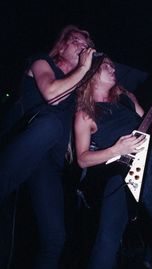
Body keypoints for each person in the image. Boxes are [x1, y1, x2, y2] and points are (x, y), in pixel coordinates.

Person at [74, 57, 152, 269]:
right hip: (117, 175)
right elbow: (82, 159)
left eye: (112, 64)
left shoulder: (127, 98)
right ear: (90, 76)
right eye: (105, 65)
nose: (112, 67)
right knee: (107, 241)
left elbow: (149, 132)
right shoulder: (85, 114)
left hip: (150, 166)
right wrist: (116, 150)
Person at [0, 25, 96, 269]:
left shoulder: (76, 90)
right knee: (50, 125)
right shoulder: (41, 62)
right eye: (75, 41)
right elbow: (52, 94)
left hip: (48, 163)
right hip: (25, 141)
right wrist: (84, 68)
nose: (82, 46)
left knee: (54, 238)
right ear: (61, 46)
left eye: (86, 44)